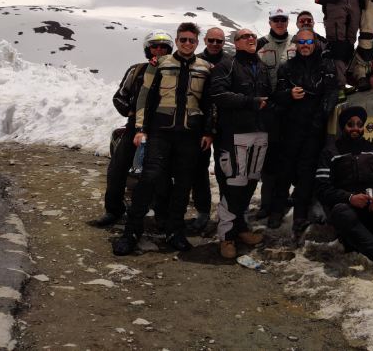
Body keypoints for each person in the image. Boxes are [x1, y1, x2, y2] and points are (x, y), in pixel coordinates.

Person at [113, 23, 213, 256]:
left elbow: (209, 103)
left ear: (197, 43)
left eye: (192, 40)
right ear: (177, 41)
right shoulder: (160, 65)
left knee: (183, 184)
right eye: (183, 40)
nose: (187, 44)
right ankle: (131, 232)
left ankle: (174, 230)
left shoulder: (205, 68)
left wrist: (209, 131)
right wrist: (140, 128)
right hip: (160, 132)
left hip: (190, 135)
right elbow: (144, 100)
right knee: (149, 178)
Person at [91, 31, 173, 228]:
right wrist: (129, 111)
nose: (159, 50)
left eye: (163, 47)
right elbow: (119, 96)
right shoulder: (136, 70)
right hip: (135, 126)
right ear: (147, 49)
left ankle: (162, 213)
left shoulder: (175, 73)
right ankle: (113, 210)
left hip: (162, 129)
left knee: (163, 172)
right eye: (155, 46)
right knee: (117, 168)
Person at [315, 106, 373, 284]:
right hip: (346, 208)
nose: (355, 128)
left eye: (359, 124)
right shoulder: (330, 152)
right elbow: (322, 189)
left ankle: (356, 237)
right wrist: (349, 198)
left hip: (372, 208)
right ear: (343, 126)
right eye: (350, 124)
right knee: (342, 214)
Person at [210, 28, 274, 259]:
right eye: (245, 37)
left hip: (259, 132)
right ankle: (226, 236)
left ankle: (241, 229)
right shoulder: (226, 66)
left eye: (253, 37)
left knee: (249, 183)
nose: (251, 39)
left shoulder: (262, 67)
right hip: (234, 134)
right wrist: (250, 102)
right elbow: (218, 95)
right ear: (235, 43)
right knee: (233, 185)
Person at [273, 28, 338, 233]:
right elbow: (277, 96)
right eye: (301, 42)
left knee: (307, 173)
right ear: (296, 44)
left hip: (314, 128)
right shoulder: (287, 67)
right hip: (290, 127)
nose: (305, 46)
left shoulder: (326, 66)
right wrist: (289, 94)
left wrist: (320, 120)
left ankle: (300, 215)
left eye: (308, 42)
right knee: (283, 171)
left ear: (315, 43)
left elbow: (331, 94)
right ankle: (277, 210)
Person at [184, 26, 227, 231]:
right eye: (212, 40)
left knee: (225, 170)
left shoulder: (231, 62)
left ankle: (227, 212)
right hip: (200, 123)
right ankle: (202, 211)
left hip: (226, 125)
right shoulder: (197, 61)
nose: (215, 44)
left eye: (219, 41)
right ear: (205, 41)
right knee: (198, 169)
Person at [255, 7, 293, 219]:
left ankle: (282, 200)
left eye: (283, 19)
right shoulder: (260, 44)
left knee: (286, 157)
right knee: (268, 159)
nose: (279, 22)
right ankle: (265, 203)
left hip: (290, 108)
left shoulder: (296, 43)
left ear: (287, 22)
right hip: (268, 109)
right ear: (269, 22)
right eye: (275, 19)